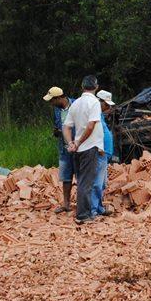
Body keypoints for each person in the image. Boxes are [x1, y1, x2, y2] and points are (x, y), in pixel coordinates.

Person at [63, 75, 103, 223]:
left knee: (82, 181)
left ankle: (84, 213)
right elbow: (91, 126)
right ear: (96, 87)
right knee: (86, 182)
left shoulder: (75, 104)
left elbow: (66, 127)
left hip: (78, 150)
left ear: (82, 87)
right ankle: (83, 216)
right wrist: (78, 142)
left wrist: (70, 143)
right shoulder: (94, 103)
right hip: (89, 147)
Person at [43, 86, 75, 213]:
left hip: (78, 145)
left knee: (81, 176)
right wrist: (57, 132)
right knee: (66, 176)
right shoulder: (57, 110)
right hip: (64, 147)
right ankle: (66, 204)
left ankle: (84, 204)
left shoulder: (76, 104)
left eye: (52, 100)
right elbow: (57, 125)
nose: (51, 103)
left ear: (59, 98)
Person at [92, 90, 116, 216]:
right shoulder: (94, 115)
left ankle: (99, 208)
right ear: (99, 102)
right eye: (106, 104)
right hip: (99, 153)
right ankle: (93, 210)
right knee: (97, 183)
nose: (108, 107)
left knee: (102, 183)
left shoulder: (100, 115)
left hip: (104, 154)